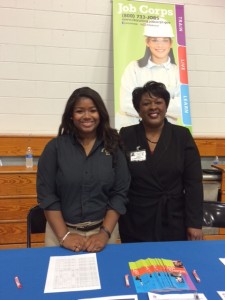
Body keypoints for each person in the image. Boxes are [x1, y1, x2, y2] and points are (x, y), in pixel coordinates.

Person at [36, 87, 130, 252]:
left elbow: (119, 193)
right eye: (80, 111)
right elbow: (47, 195)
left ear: (100, 114)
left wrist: (104, 233)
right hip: (60, 234)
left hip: (103, 235)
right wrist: (65, 236)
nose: (87, 116)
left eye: (93, 111)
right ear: (71, 116)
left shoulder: (113, 147)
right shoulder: (55, 148)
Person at [118, 81, 203, 243]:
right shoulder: (126, 135)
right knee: (138, 265)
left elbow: (194, 184)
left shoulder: (182, 136)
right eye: (146, 103)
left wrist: (195, 223)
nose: (153, 107)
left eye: (158, 102)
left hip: (173, 218)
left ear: (166, 106)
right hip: (136, 219)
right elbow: (119, 180)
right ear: (138, 109)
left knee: (174, 265)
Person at [117, 18, 181, 128]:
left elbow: (181, 108)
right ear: (147, 42)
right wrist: (163, 106)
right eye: (155, 40)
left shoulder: (178, 72)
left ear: (171, 43)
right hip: (133, 129)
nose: (160, 45)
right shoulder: (133, 68)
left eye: (165, 40)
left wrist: (144, 105)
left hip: (165, 134)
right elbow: (125, 104)